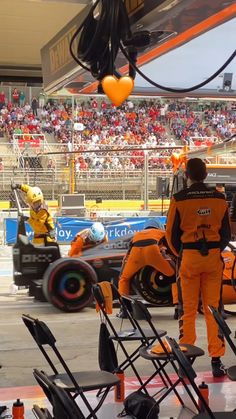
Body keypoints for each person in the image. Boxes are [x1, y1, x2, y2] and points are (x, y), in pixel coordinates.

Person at [166, 158, 231, 377]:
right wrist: (213, 249)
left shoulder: (179, 199)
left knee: (188, 309)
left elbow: (171, 235)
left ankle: (187, 358)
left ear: (187, 175)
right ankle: (216, 361)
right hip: (213, 258)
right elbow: (226, 235)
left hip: (189, 259)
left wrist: (183, 254)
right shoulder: (220, 199)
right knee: (214, 309)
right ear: (206, 174)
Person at [118, 218, 177, 312]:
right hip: (152, 252)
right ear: (159, 226)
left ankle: (124, 309)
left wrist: (122, 272)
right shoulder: (162, 233)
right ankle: (178, 308)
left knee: (124, 279)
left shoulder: (137, 235)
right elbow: (172, 249)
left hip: (136, 254)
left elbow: (127, 256)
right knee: (173, 275)